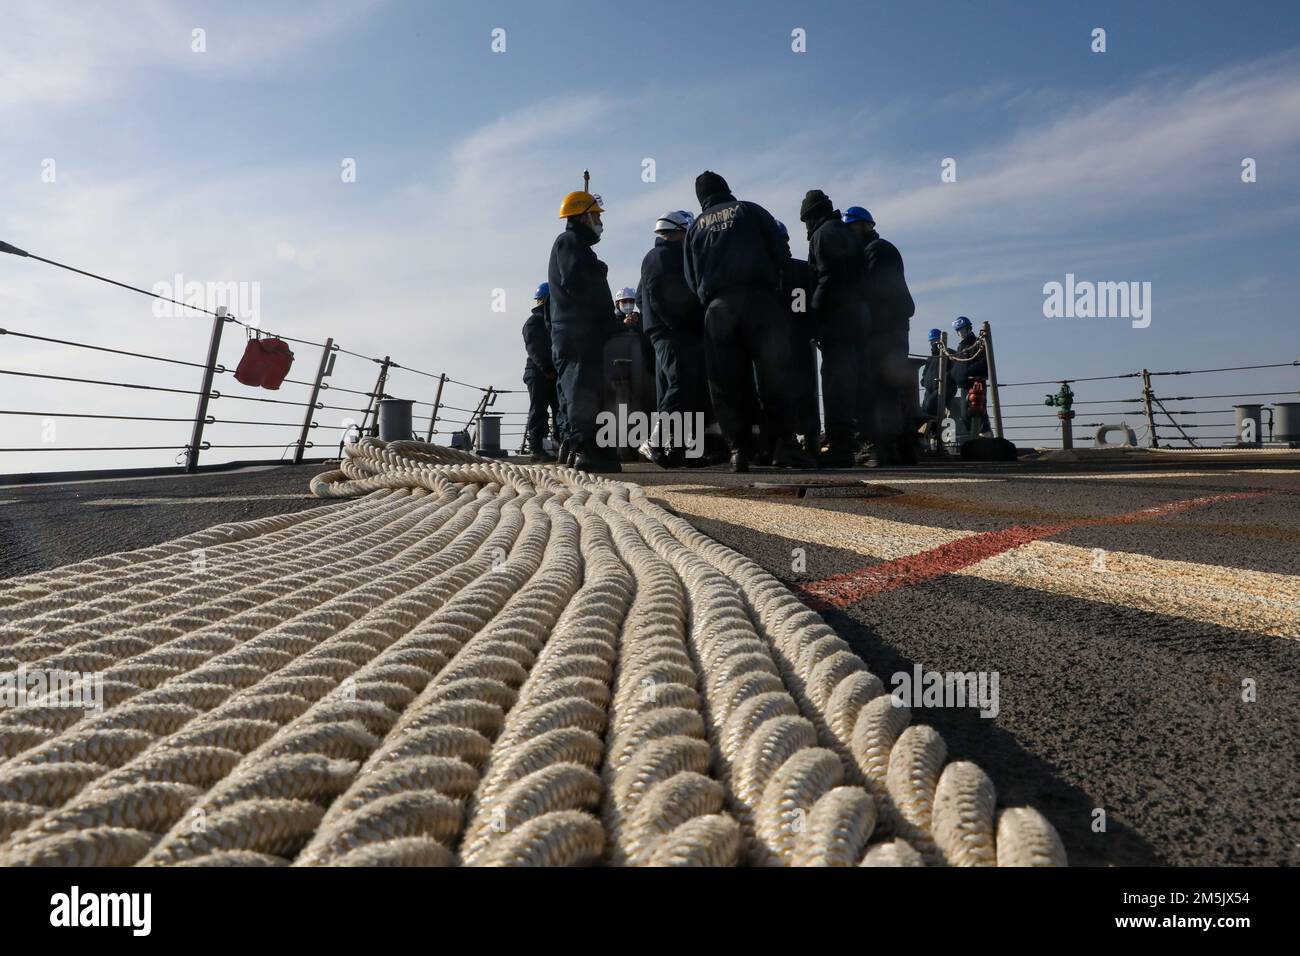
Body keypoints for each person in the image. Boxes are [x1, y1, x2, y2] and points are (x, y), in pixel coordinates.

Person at [684, 170, 814, 472]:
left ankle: (739, 451)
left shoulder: (694, 229)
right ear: (727, 188)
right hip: (760, 301)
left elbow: (690, 278)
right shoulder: (750, 210)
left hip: (717, 309)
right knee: (774, 376)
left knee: (727, 382)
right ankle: (784, 446)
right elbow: (781, 253)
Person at [547, 189, 619, 472]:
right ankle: (584, 449)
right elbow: (575, 281)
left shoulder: (579, 246)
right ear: (583, 216)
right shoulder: (569, 241)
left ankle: (594, 449)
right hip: (577, 332)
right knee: (579, 391)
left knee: (587, 389)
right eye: (595, 216)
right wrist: (598, 270)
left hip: (584, 331)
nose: (599, 221)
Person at [801, 190, 870, 468]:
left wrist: (814, 315)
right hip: (858, 318)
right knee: (854, 379)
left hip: (837, 320)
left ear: (812, 215)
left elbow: (826, 279)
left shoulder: (823, 234)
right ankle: (858, 438)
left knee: (834, 381)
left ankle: (840, 444)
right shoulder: (847, 234)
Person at [844, 206, 916, 465]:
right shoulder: (883, 249)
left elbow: (869, 290)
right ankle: (901, 448)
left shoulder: (876, 251)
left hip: (882, 331)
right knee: (890, 390)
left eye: (851, 228)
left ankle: (879, 447)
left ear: (864, 226)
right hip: (894, 330)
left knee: (875, 388)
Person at [638, 210, 709, 467]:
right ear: (678, 231)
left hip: (670, 330)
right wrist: (676, 322)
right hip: (670, 332)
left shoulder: (664, 257)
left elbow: (641, 297)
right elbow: (657, 294)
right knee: (680, 382)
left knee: (676, 389)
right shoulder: (660, 258)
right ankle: (654, 441)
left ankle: (678, 451)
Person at [776, 220, 821, 455]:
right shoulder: (805, 270)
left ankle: (783, 441)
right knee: (806, 390)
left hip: (774, 341)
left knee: (776, 391)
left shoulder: (766, 273)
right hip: (802, 337)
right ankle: (812, 439)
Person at [522, 281, 559, 462]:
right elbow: (534, 349)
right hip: (538, 374)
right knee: (539, 411)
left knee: (557, 410)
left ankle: (554, 445)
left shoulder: (549, 322)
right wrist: (547, 369)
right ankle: (537, 449)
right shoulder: (534, 323)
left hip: (551, 372)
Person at [951, 315, 990, 438]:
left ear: (968, 329)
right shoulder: (960, 347)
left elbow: (984, 363)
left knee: (978, 411)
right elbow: (958, 366)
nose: (959, 333)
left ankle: (986, 435)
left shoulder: (977, 343)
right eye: (958, 331)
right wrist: (955, 375)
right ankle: (977, 436)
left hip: (975, 383)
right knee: (965, 415)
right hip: (964, 386)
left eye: (961, 330)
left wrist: (967, 372)